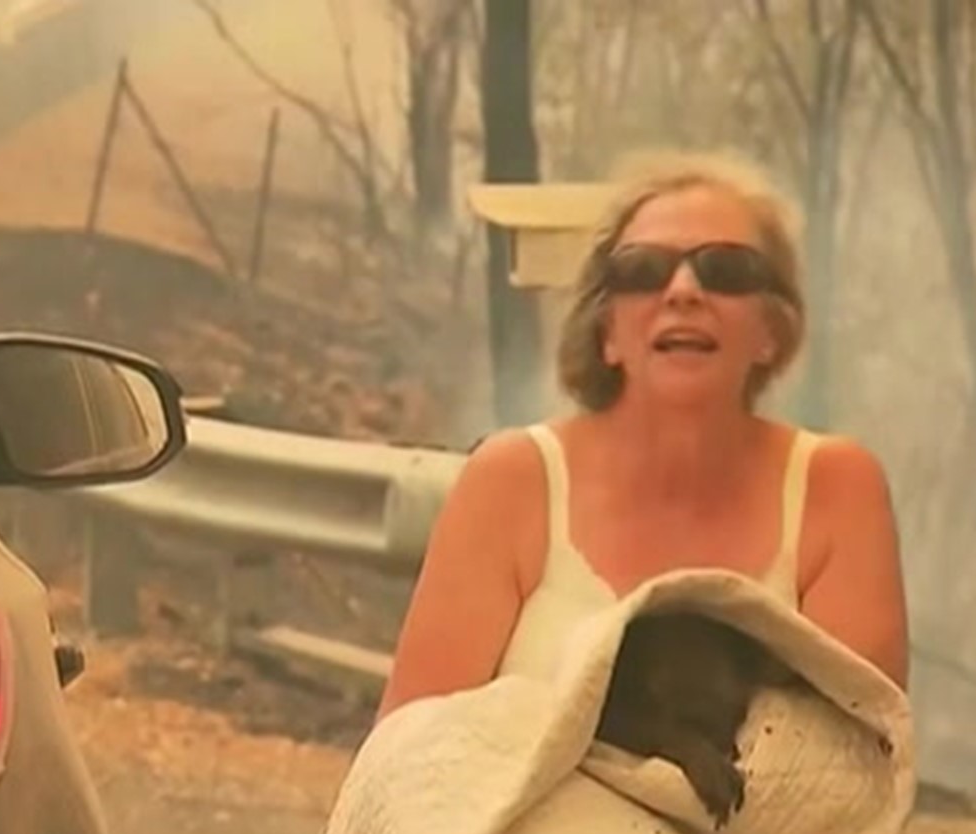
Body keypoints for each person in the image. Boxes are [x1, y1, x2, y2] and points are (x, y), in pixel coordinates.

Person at [377, 151, 909, 719]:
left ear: (771, 334)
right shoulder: (511, 480)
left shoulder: (837, 488)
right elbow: (410, 756)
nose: (682, 290)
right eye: (643, 271)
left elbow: (851, 766)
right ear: (606, 333)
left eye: (725, 271)